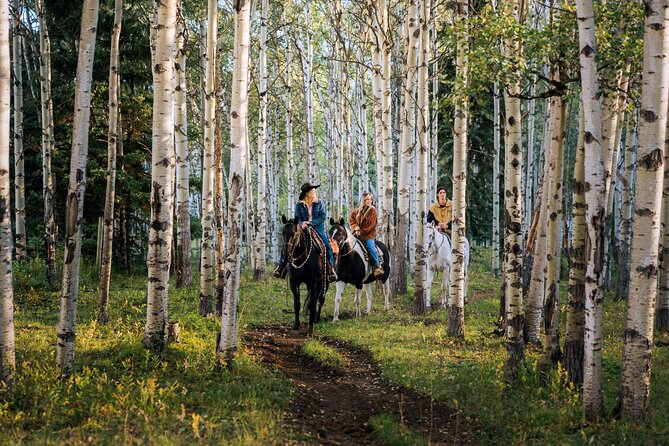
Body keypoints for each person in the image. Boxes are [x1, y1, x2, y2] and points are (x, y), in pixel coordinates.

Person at [273, 182, 338, 282]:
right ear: (307, 193)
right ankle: (281, 267)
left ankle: (330, 270)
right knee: (289, 244)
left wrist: (311, 223)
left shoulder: (319, 203)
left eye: (314, 190)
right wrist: (301, 223)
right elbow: (297, 217)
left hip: (317, 228)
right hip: (302, 228)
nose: (314, 191)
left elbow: (322, 217)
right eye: (312, 190)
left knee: (327, 246)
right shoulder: (299, 204)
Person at [349, 192, 384, 277]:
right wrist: (356, 227)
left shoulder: (373, 210)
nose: (369, 201)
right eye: (367, 199)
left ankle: (377, 266)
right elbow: (352, 219)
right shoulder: (357, 210)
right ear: (363, 200)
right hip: (357, 233)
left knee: (371, 248)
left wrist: (361, 231)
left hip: (368, 234)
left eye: (370, 199)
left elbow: (371, 225)